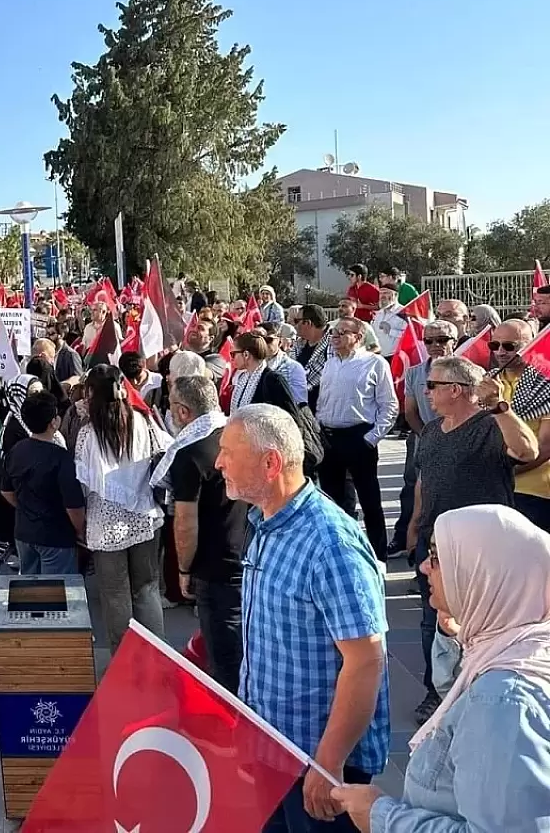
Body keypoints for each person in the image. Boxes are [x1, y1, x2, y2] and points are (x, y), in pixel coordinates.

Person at [216, 405, 389, 833]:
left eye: (227, 452)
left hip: (319, 767)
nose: (218, 462)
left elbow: (366, 659)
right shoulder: (266, 523)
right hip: (273, 752)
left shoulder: (330, 543)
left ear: (270, 463)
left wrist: (328, 762)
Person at [334, 504, 550, 832]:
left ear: (483, 574)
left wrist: (380, 816)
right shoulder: (516, 645)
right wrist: (454, 639)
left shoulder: (504, 700)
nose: (422, 567)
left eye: (436, 556)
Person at [404, 356, 537, 725]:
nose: (425, 391)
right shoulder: (431, 431)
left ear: (456, 389)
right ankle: (437, 692)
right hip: (436, 545)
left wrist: (499, 408)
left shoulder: (489, 425)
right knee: (433, 620)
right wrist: (415, 521)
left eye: (432, 385)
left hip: (483, 550)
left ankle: (480, 689)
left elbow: (528, 450)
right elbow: (424, 479)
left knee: (481, 624)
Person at [152, 375, 243, 692]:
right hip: (250, 555)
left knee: (224, 659)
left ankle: (234, 729)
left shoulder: (189, 454)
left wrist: (183, 568)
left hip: (213, 565)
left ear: (182, 412)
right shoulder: (239, 436)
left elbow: (185, 522)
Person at [75, 365, 171, 649]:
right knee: (147, 590)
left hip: (106, 525)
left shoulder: (88, 434)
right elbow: (162, 458)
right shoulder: (143, 420)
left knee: (115, 594)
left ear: (92, 393)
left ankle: (124, 660)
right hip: (144, 517)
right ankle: (158, 655)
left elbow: (83, 482)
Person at [315, 317, 398, 562]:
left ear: (358, 337)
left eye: (343, 332)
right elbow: (324, 399)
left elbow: (389, 405)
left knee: (370, 500)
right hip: (329, 438)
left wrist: (371, 438)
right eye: (334, 332)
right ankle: (344, 553)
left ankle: (378, 555)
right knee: (333, 502)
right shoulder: (329, 364)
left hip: (359, 437)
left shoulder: (375, 363)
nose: (336, 336)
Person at [389, 320, 458, 560]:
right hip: (423, 440)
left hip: (458, 443)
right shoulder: (415, 372)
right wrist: (428, 437)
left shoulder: (467, 370)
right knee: (414, 492)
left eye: (441, 340)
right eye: (429, 340)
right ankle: (414, 551)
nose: (435, 345)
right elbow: (409, 411)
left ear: (454, 341)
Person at [0, 392, 86, 576]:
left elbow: (6, 491)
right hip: (55, 536)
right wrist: (81, 531)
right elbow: (73, 505)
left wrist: (25, 507)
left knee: (30, 591)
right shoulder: (61, 458)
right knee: (56, 594)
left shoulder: (16, 450)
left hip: (24, 532)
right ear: (53, 422)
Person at [489, 318, 550, 531]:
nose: (500, 352)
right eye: (494, 345)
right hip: (493, 488)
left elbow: (546, 446)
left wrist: (505, 472)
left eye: (509, 346)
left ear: (530, 345)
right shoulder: (489, 383)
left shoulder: (545, 383)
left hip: (534, 491)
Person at [257, 322, 308, 406]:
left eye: (268, 339)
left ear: (280, 341)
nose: (263, 343)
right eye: (259, 339)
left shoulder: (293, 368)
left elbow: (299, 404)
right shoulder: (248, 364)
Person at [369, 284, 406, 356]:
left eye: (386, 293)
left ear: (395, 295)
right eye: (380, 293)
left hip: (396, 356)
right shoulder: (378, 314)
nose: (382, 296)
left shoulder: (403, 312)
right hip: (379, 355)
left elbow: (410, 336)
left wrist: (391, 331)